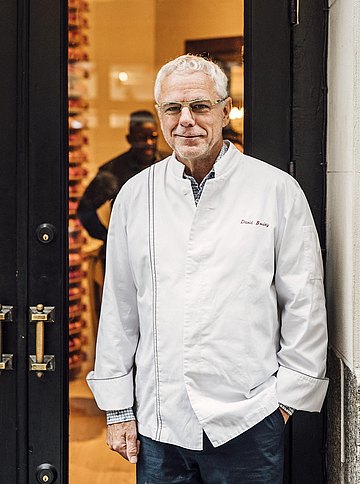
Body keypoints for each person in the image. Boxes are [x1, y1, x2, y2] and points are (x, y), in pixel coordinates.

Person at [87, 54, 328, 483]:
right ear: (160, 112)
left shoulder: (275, 190)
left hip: (248, 418)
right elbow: (120, 309)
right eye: (172, 109)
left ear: (224, 109)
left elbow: (304, 300)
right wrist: (119, 408)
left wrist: (286, 401)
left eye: (199, 106)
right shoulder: (135, 195)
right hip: (160, 422)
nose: (186, 121)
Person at [77, 110, 164, 243]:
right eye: (141, 138)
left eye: (153, 137)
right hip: (128, 247)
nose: (148, 143)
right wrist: (109, 239)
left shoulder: (170, 163)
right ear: (129, 139)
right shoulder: (113, 171)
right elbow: (85, 210)